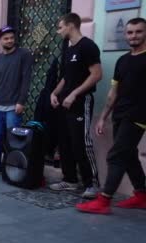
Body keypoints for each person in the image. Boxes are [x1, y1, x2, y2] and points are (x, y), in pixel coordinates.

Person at [76, 17, 146, 214]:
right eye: (130, 32)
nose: (134, 36)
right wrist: (103, 117)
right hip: (120, 114)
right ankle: (142, 196)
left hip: (138, 117)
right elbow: (113, 92)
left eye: (139, 32)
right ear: (125, 35)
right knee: (129, 156)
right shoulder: (123, 60)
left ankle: (104, 201)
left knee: (116, 155)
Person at [49, 13, 102, 198]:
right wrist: (54, 93)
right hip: (64, 104)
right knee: (65, 143)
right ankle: (70, 180)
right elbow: (66, 77)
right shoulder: (69, 49)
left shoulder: (87, 46)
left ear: (71, 25)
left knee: (81, 144)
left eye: (60, 27)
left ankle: (92, 184)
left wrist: (74, 93)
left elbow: (96, 74)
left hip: (81, 102)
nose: (58, 31)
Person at [0, 25, 34, 175]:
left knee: (14, 139)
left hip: (13, 106)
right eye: (6, 38)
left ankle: (11, 167)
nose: (10, 40)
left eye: (12, 37)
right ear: (0, 40)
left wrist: (21, 101)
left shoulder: (24, 54)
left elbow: (26, 80)